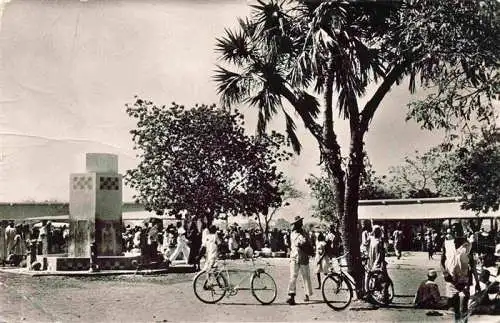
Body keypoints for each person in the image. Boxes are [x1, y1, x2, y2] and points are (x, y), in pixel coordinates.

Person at [441, 223, 479, 323]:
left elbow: (472, 265)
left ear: (462, 231)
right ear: (452, 233)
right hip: (451, 281)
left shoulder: (468, 245)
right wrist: (445, 273)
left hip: (464, 281)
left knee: (464, 307)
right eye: (454, 230)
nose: (456, 232)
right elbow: (441, 262)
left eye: (458, 230)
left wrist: (477, 283)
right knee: (455, 309)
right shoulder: (447, 244)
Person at [286, 216, 313, 305]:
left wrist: (303, 244)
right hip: (294, 257)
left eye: (300, 223)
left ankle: (307, 294)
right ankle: (291, 295)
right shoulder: (292, 234)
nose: (299, 224)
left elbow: (308, 243)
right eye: (298, 223)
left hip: (303, 257)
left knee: (305, 277)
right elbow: (291, 245)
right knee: (293, 276)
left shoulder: (304, 233)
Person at [365, 225, 389, 302]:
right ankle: (373, 294)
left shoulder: (378, 240)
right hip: (372, 260)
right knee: (374, 278)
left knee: (382, 279)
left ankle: (384, 296)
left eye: (377, 231)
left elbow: (381, 253)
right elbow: (365, 245)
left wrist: (378, 262)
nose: (375, 233)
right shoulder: (372, 239)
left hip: (377, 262)